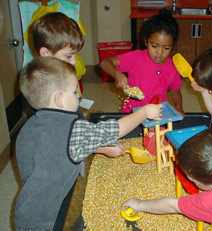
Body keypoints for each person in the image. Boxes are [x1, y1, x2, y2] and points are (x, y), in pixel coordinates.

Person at [14, 56, 163, 231]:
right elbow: (115, 129)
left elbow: (57, 152)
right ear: (59, 99)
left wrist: (101, 149)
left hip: (27, 210)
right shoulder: (72, 130)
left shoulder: (28, 127)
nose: (78, 97)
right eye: (74, 93)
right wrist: (144, 111)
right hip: (48, 219)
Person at [100, 8, 184, 116]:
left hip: (158, 114)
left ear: (172, 46)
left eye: (166, 48)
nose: (159, 52)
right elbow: (105, 63)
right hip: (132, 114)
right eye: (154, 46)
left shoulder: (172, 67)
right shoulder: (136, 58)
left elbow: (175, 91)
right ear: (146, 41)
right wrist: (116, 73)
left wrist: (178, 107)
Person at [31, 11, 85, 95]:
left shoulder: (64, 70)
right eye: (68, 56)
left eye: (75, 54)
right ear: (46, 53)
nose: (74, 61)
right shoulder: (43, 85)